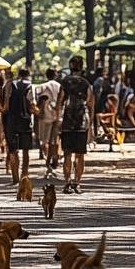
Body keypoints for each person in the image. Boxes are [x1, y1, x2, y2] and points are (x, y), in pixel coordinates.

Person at [57, 55, 94, 194]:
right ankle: (77, 182)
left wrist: (58, 119)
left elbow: (60, 101)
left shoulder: (65, 82)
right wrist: (91, 125)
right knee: (80, 154)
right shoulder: (86, 84)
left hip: (67, 121)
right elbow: (90, 103)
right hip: (81, 122)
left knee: (67, 154)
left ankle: (67, 182)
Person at [2, 67, 37, 182]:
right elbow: (32, 104)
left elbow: (4, 105)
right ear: (28, 75)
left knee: (13, 150)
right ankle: (24, 175)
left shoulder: (9, 85)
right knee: (25, 150)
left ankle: (15, 177)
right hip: (25, 121)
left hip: (11, 120)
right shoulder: (29, 86)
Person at [36, 67, 62, 174]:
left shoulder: (43, 86)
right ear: (55, 75)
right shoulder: (60, 86)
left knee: (44, 140)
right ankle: (55, 157)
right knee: (55, 139)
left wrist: (39, 112)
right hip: (58, 114)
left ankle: (47, 159)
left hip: (45, 115)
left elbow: (41, 101)